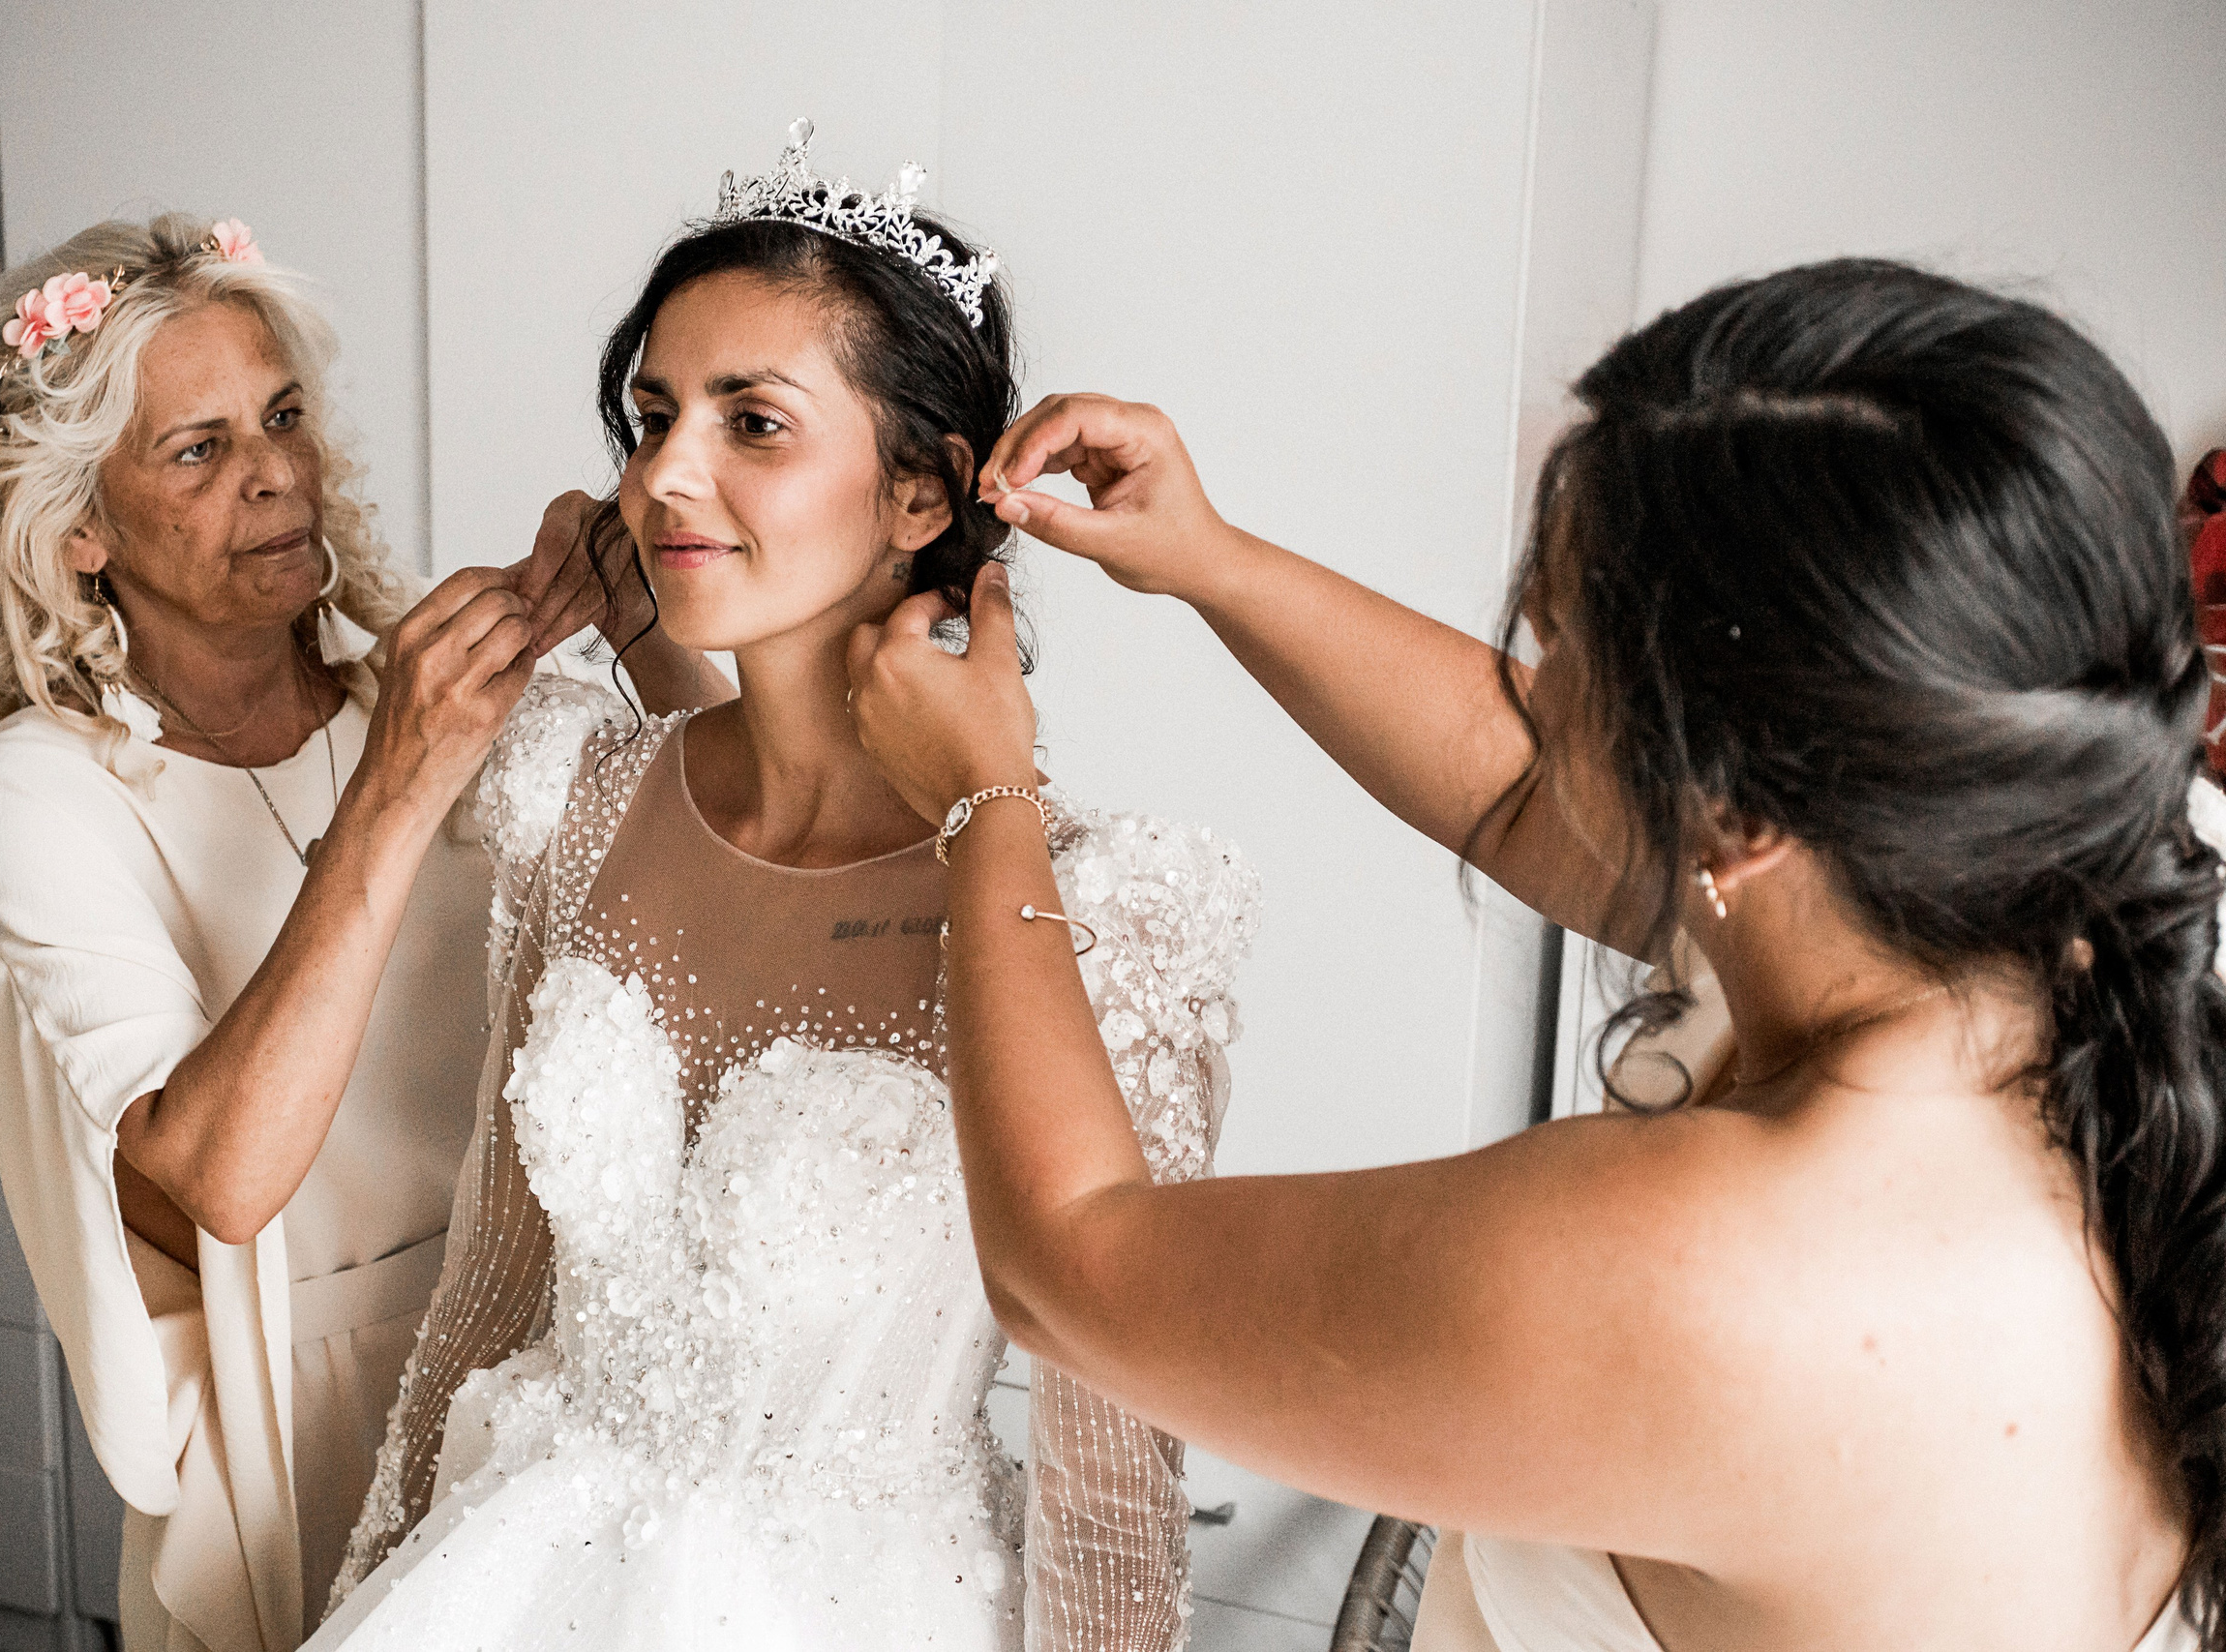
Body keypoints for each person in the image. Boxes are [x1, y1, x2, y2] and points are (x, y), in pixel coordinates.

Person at [848, 260, 2221, 1650]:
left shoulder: (1712, 1275)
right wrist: (1212, 559)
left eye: (1559, 644)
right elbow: (1537, 797)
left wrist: (983, 800)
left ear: (1735, 814)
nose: (1529, 686)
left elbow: (1071, 1272)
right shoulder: (2044, 924)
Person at [311, 125, 1253, 1652]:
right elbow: (488, 1294)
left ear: (923, 494)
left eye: (755, 422)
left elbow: (1110, 1482)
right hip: (513, 1564)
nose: (663, 476)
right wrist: (370, 1591)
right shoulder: (584, 800)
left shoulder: (1100, 910)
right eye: (652, 415)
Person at [0, 212, 725, 1650]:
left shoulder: (407, 683)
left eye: (283, 415)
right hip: (296, 1409)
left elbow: (750, 856)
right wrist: (400, 781)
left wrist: (642, 627)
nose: (278, 470)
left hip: (553, 1349)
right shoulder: (44, 791)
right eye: (200, 448)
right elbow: (222, 1179)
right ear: (80, 524)